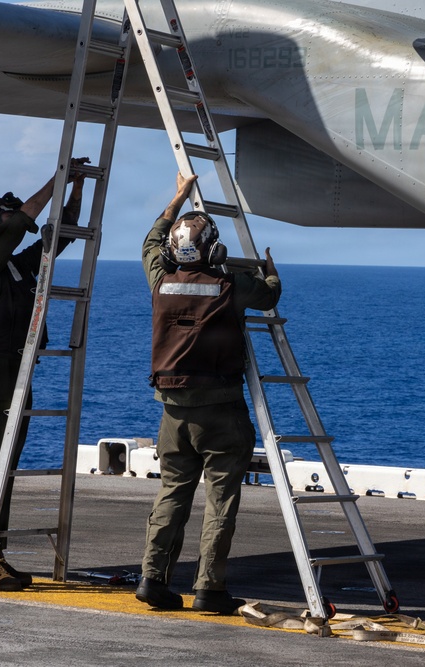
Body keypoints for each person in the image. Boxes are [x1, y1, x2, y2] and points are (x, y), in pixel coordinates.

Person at [135, 173, 281, 614]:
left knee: (171, 494)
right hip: (222, 412)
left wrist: (176, 196)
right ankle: (208, 589)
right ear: (215, 251)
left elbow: (150, 241)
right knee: (220, 500)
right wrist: (269, 270)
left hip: (172, 415)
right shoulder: (231, 286)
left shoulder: (160, 282)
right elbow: (271, 296)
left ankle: (152, 579)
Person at [0, 159, 89, 591]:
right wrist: (59, 177)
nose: (8, 224)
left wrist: (75, 190)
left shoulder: (16, 268)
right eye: (0, 219)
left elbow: (61, 239)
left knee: (6, 466)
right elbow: (20, 225)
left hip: (16, 371)